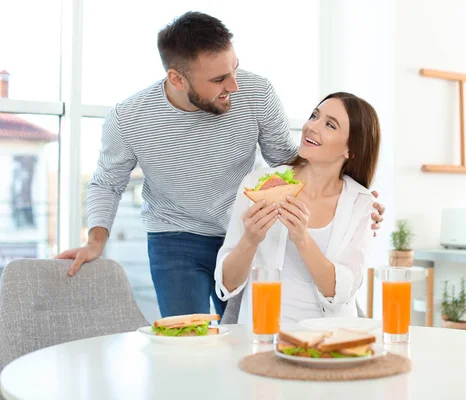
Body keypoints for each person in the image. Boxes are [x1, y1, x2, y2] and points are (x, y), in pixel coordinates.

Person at [55, 12, 385, 318]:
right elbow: (107, 182)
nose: (234, 86)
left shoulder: (256, 92)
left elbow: (287, 159)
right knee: (188, 340)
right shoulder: (129, 118)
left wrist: (351, 203)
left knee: (241, 330)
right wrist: (95, 241)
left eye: (235, 69)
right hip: (176, 236)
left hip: (245, 225)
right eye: (218, 79)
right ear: (177, 78)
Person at [215, 92, 380, 323]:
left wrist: (302, 239)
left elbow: (341, 292)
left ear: (350, 150)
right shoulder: (257, 185)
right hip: (264, 337)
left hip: (330, 341)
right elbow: (227, 284)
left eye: (330, 125)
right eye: (314, 116)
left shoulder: (361, 204)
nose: (312, 126)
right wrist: (250, 240)